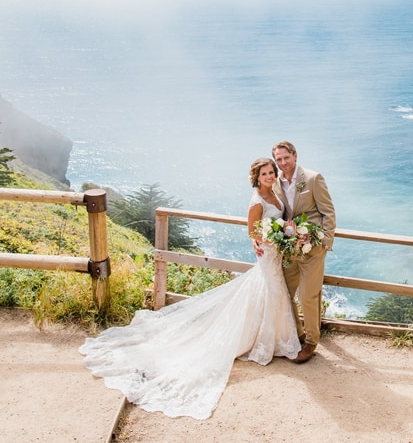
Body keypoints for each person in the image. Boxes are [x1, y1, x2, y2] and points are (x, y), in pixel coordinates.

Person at [78, 158, 300, 419]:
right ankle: (265, 341)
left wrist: (286, 229)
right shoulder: (256, 201)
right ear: (256, 176)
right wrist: (277, 234)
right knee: (270, 291)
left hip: (274, 255)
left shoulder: (274, 193)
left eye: (271, 172)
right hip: (268, 254)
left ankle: (273, 339)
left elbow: (276, 221)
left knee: (271, 292)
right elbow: (252, 231)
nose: (269, 176)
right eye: (265, 173)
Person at [269, 140, 336, 364]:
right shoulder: (275, 182)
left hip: (313, 248)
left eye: (286, 158)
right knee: (286, 293)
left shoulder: (313, 178)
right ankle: (296, 335)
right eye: (278, 159)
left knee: (308, 295)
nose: (282, 163)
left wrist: (325, 241)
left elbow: (328, 212)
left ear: (295, 156)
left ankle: (311, 341)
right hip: (290, 248)